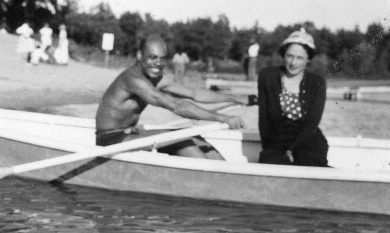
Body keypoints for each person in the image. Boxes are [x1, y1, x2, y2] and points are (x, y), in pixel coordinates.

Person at [95, 34, 249, 159]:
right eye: (152, 57)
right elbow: (176, 105)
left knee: (196, 138)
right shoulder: (133, 79)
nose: (158, 63)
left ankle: (225, 172)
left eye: (162, 58)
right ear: (139, 55)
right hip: (111, 140)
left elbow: (194, 94)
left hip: (130, 133)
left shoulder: (156, 78)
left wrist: (236, 98)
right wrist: (223, 118)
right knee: (180, 139)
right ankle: (215, 178)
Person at [257, 28, 329, 167]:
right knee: (270, 161)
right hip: (277, 137)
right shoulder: (267, 76)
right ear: (284, 54)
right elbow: (263, 119)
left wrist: (291, 149)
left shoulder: (317, 82)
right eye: (290, 56)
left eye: (300, 58)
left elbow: (312, 122)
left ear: (309, 59)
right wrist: (268, 147)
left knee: (308, 160)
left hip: (308, 137)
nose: (293, 63)